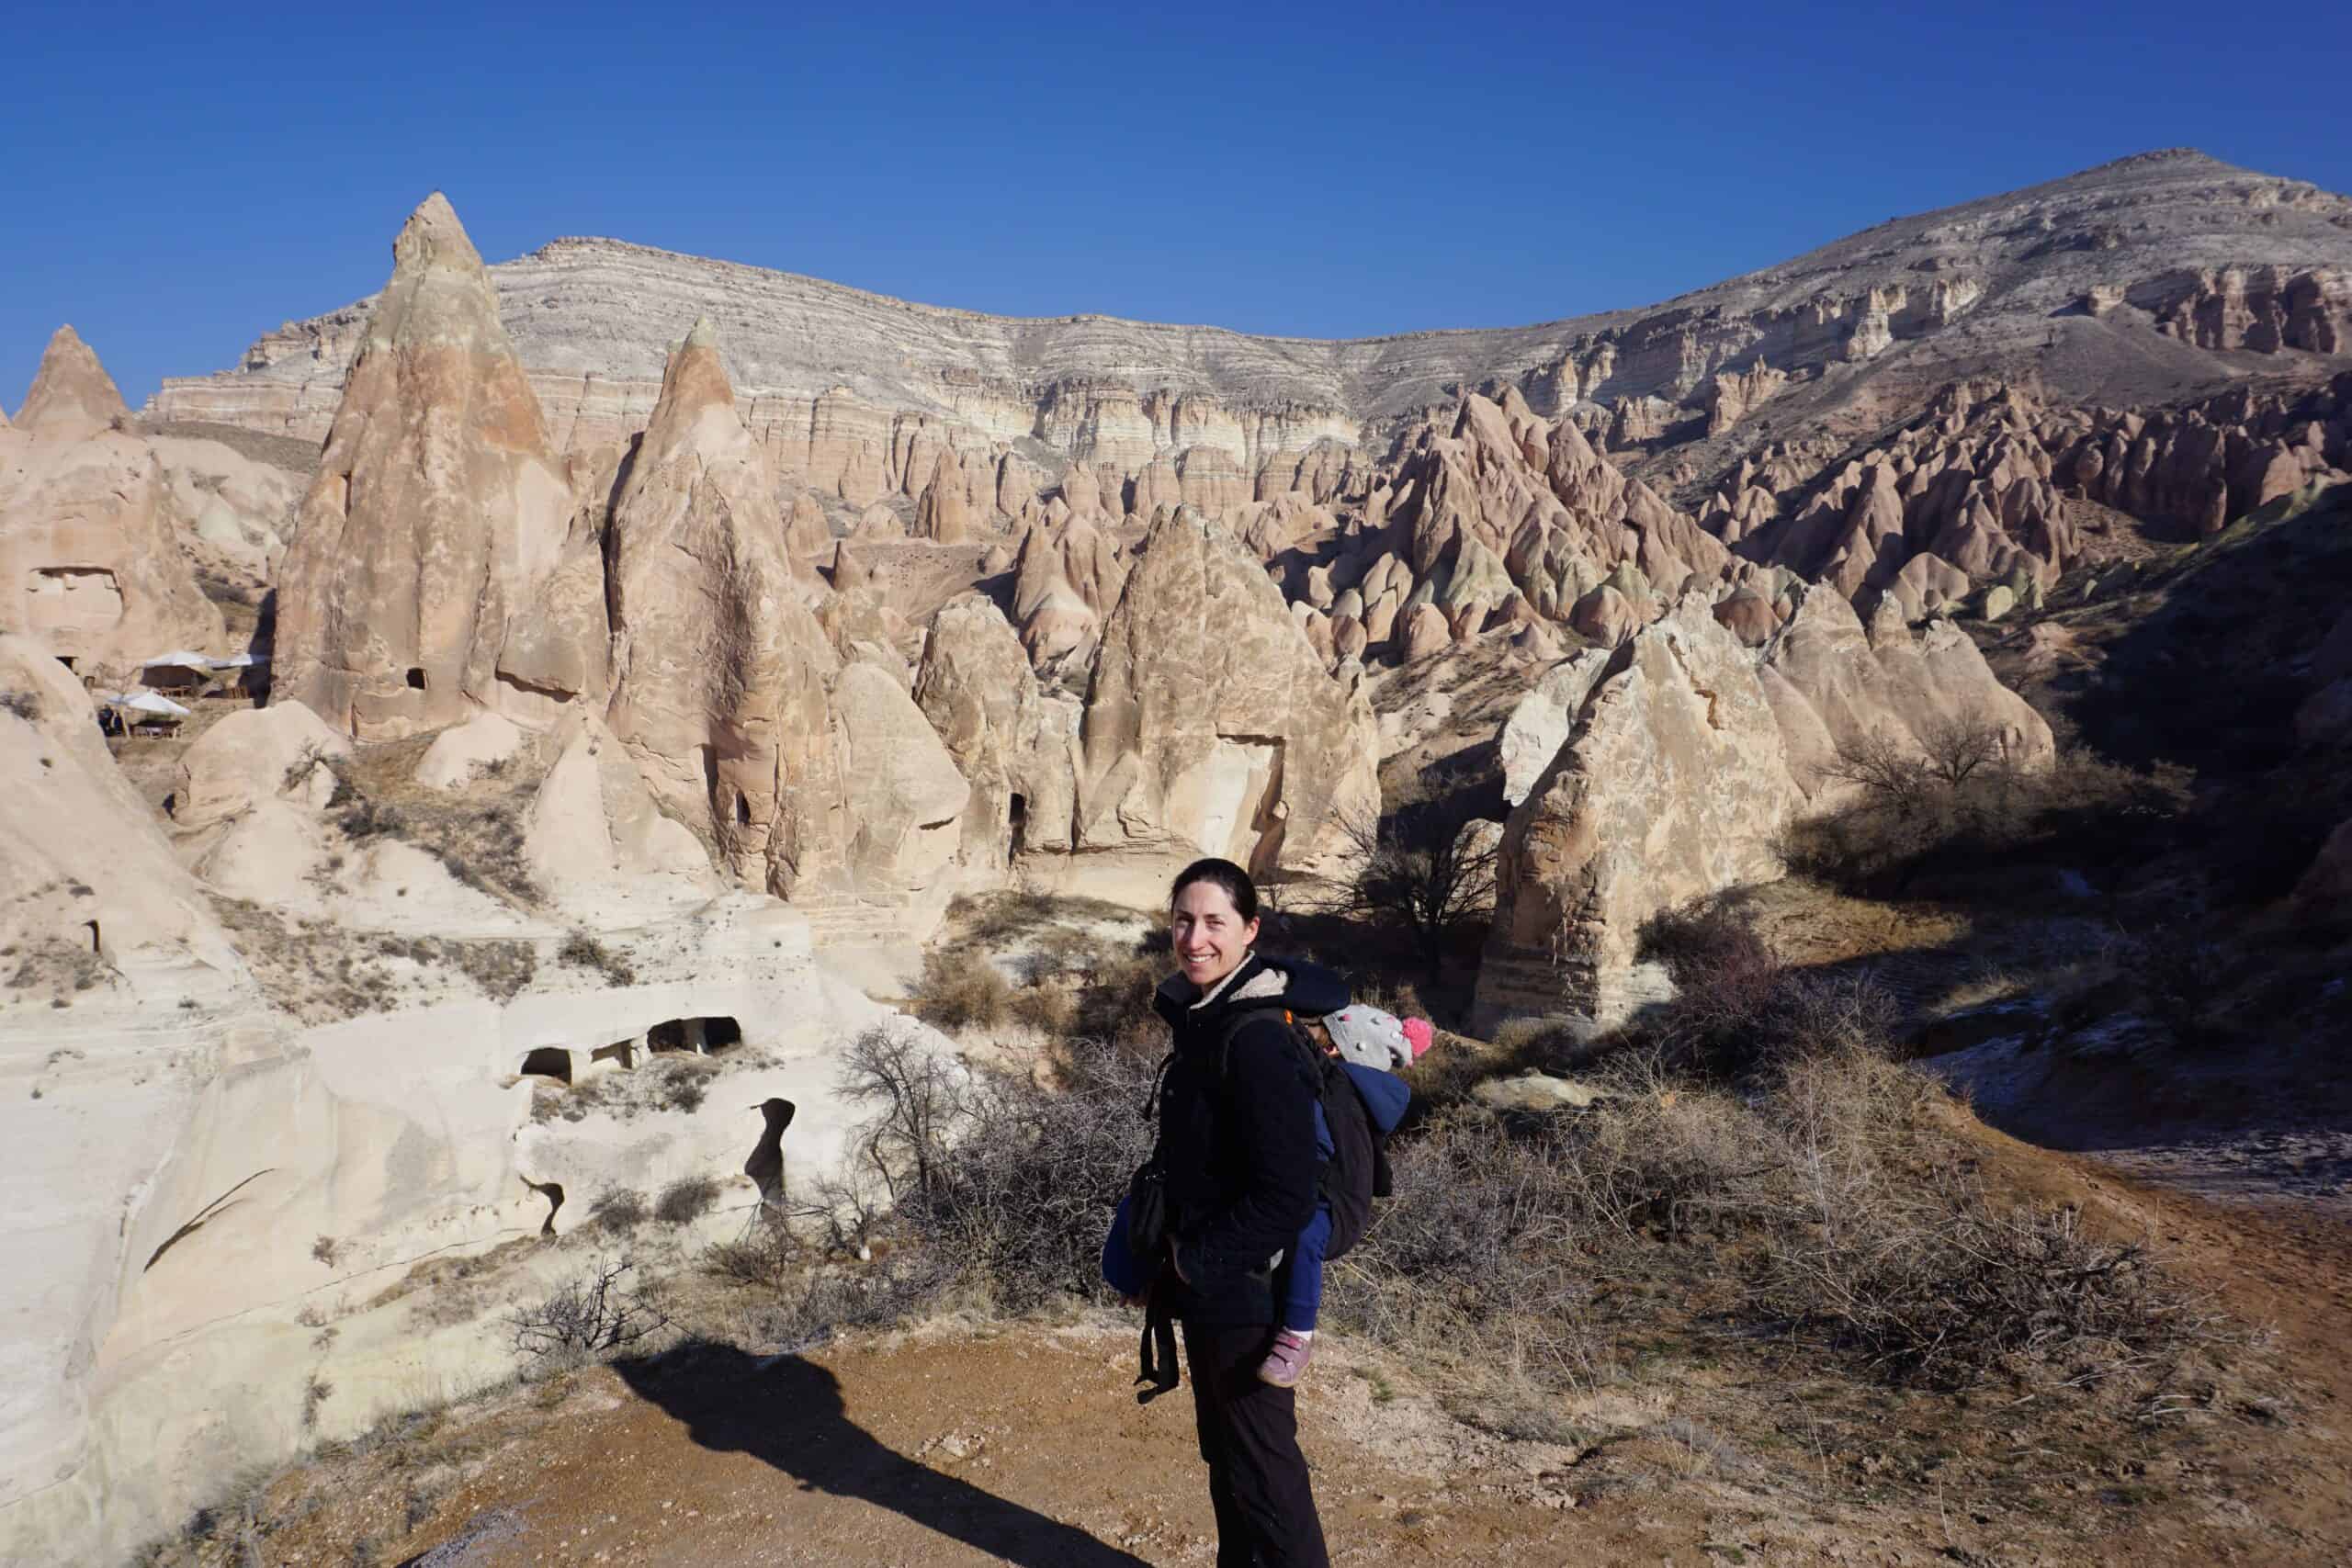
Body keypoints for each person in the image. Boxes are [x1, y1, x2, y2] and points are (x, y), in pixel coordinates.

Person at [1144, 856, 1332, 1568]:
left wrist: (1195, 1261)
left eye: (1214, 922)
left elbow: (1286, 1195)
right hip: (1213, 1282)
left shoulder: (1253, 1038)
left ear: (1249, 930)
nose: (1196, 937)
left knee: (1263, 1474)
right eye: (1184, 920)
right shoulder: (1204, 1017)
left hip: (1247, 1291)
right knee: (1228, 1461)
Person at [1256, 1010, 1423, 1390]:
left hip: (1332, 1208)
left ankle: (1298, 1335)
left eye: (1316, 1034)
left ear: (1332, 1048)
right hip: (1333, 1198)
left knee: (1304, 1236)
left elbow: (1315, 1145)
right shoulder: (1343, 1086)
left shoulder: (1337, 1092)